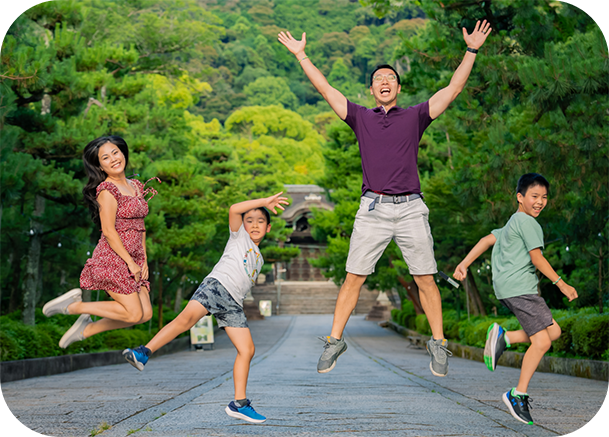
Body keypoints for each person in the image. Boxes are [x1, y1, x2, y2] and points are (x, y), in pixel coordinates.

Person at [278, 20, 492, 377]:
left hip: (410, 208)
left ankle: (438, 344)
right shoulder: (360, 117)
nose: (385, 81)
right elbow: (326, 89)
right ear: (372, 89)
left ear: (398, 87)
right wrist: (302, 56)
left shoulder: (416, 116)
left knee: (425, 276)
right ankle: (335, 340)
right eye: (378, 78)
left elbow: (453, 89)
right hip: (373, 208)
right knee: (353, 277)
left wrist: (471, 51)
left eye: (390, 78)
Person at [122, 193, 289, 424]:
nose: (254, 225)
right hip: (217, 286)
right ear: (243, 225)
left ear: (268, 228)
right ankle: (143, 352)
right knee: (185, 320)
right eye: (249, 220)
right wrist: (263, 202)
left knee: (247, 350)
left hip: (233, 303)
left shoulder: (259, 257)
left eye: (260, 221)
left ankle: (239, 404)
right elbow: (233, 208)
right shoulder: (238, 236)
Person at [453, 173, 578, 425]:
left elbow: (487, 240)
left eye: (544, 197)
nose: (540, 202)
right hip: (521, 289)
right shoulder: (529, 223)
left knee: (553, 331)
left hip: (507, 288)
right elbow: (537, 259)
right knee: (542, 343)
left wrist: (464, 264)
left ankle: (505, 338)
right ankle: (517, 394)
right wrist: (561, 283)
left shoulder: (513, 222)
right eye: (534, 196)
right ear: (520, 197)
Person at [42, 135, 158, 348]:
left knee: (145, 314)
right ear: (100, 166)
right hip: (113, 258)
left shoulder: (136, 186)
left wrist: (143, 259)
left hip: (135, 256)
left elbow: (140, 226)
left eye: (115, 152)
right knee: (133, 314)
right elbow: (108, 231)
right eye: (105, 157)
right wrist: (130, 262)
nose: (113, 159)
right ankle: (75, 307)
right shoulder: (107, 190)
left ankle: (86, 329)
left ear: (123, 152)